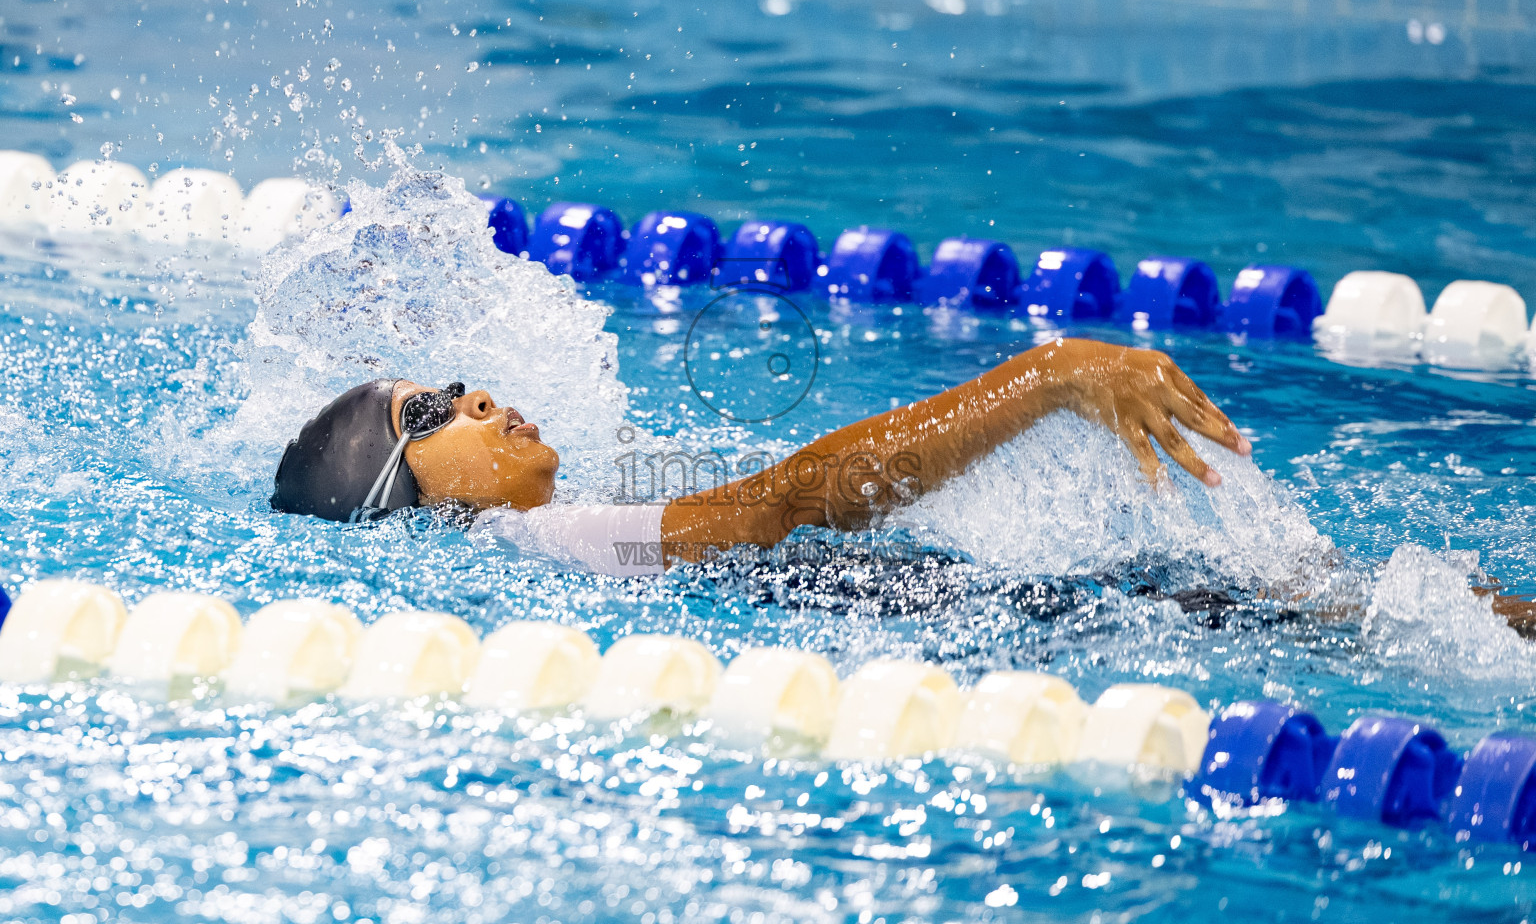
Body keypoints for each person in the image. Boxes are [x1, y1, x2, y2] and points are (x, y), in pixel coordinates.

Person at [268, 337, 1536, 637]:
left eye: (455, 384)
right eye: (427, 416)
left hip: (944, 616)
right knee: (1397, 612)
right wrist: (1042, 378)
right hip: (971, 627)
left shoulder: (547, 559)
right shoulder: (529, 545)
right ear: (412, 500)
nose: (475, 397)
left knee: (1377, 609)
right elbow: (792, 502)